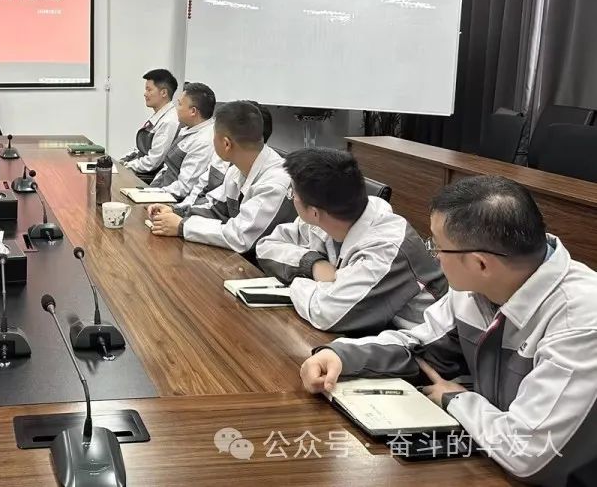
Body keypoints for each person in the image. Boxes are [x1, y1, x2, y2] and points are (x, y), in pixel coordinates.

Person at [299, 176, 597, 485]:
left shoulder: (581, 321)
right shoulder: (481, 286)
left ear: (481, 263)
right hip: (490, 459)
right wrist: (341, 356)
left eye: (438, 247)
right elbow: (422, 347)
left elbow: (529, 453)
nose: (435, 257)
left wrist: (456, 400)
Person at [256, 148, 447, 333]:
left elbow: (325, 312)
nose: (291, 197)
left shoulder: (386, 249)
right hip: (373, 330)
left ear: (314, 212)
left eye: (292, 193)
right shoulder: (330, 217)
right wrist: (312, 264)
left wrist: (297, 283)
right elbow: (267, 246)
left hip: (422, 344)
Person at [149, 101, 295, 261]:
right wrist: (176, 213)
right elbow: (215, 208)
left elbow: (240, 237)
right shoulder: (238, 167)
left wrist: (182, 226)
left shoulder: (276, 182)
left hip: (262, 266)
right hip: (241, 258)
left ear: (226, 144)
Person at [174, 100, 273, 214]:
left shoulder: (270, 184)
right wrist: (178, 212)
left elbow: (239, 224)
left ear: (227, 143)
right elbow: (212, 202)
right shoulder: (234, 167)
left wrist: (182, 220)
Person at [146, 82, 217, 199]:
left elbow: (183, 188)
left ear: (193, 111)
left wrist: (151, 194)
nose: (176, 109)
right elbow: (167, 169)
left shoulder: (203, 141)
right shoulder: (188, 128)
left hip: (169, 200)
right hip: (159, 191)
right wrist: (148, 190)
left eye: (179, 104)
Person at [119, 69, 181, 183]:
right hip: (141, 169)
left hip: (149, 177)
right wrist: (122, 161)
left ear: (164, 93)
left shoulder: (169, 121)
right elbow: (139, 150)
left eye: (149, 89)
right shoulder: (159, 116)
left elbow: (153, 161)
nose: (145, 94)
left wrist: (127, 166)